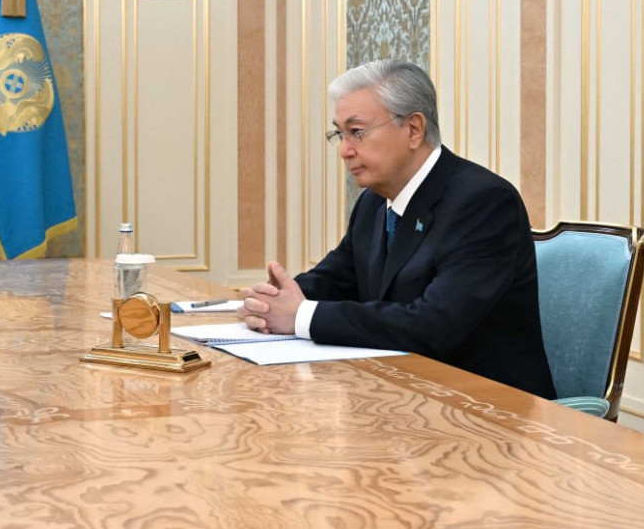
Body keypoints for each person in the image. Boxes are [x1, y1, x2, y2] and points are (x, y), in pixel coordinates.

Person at [238, 60, 557, 399]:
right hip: (401, 394)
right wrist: (272, 303)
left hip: (488, 407)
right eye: (339, 134)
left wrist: (302, 316)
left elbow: (434, 325)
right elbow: (335, 279)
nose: (345, 150)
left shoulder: (484, 202)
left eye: (357, 132)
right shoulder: (374, 202)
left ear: (414, 129)